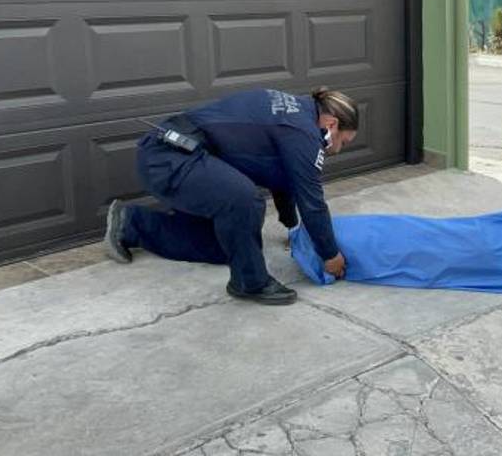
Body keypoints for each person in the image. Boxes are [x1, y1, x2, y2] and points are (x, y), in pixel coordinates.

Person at [102, 87, 359, 305]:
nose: (337, 149)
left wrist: (293, 229)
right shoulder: (303, 133)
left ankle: (130, 224)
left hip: (181, 158)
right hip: (169, 158)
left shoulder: (294, 113)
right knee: (245, 199)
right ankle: (250, 282)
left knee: (227, 246)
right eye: (343, 142)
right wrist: (330, 255)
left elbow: (284, 179)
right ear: (331, 124)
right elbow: (312, 203)